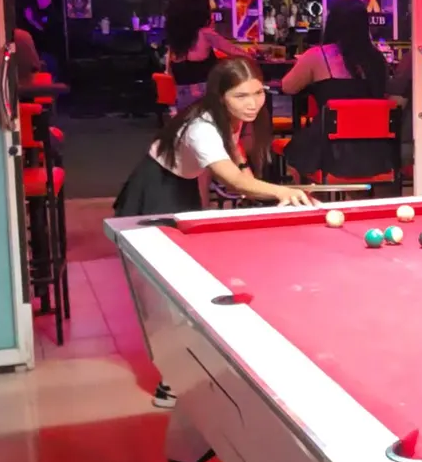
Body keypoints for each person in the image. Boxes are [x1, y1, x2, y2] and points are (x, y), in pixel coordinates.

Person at [114, 57, 311, 408]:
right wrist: (279, 191)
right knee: (172, 293)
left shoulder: (227, 116)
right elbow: (231, 180)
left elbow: (234, 155)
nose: (252, 103)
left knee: (184, 287)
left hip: (179, 186)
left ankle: (193, 370)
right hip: (157, 189)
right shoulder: (201, 126)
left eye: (258, 93)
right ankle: (171, 383)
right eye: (241, 96)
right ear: (221, 97)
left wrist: (249, 176)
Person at [280, 0, 392, 180]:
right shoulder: (377, 59)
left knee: (293, 152)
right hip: (376, 153)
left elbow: (287, 87)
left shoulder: (318, 55)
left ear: (332, 23)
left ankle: (308, 196)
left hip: (331, 152)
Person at [165, 0, 250, 110]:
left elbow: (169, 71)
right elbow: (238, 53)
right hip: (206, 100)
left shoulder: (175, 38)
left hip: (182, 100)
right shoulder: (206, 34)